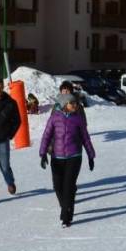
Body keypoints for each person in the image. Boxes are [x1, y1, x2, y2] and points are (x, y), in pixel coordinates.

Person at [39, 92, 96, 228]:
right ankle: (66, 205)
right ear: (65, 104)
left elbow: (85, 137)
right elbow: (46, 136)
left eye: (76, 103)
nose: (75, 105)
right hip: (57, 157)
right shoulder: (54, 118)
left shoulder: (78, 119)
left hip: (74, 156)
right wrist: (43, 153)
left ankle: (66, 216)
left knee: (69, 186)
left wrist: (91, 155)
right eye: (72, 103)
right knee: (58, 186)